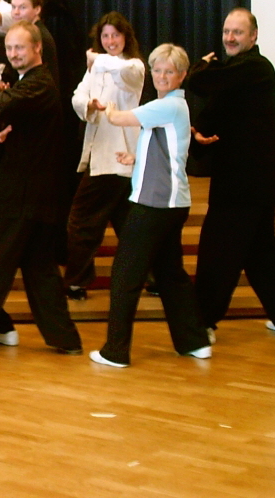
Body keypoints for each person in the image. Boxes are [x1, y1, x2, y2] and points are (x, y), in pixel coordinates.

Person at [0, 21, 82, 356]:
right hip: (33, 190)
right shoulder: (28, 83)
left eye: (19, 48)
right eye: (10, 49)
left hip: (20, 191)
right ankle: (64, 338)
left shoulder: (39, 85)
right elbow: (8, 116)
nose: (13, 54)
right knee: (40, 269)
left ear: (37, 49)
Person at [89, 44, 211, 367]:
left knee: (125, 274)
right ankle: (194, 342)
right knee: (171, 274)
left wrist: (108, 106)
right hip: (171, 204)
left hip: (155, 205)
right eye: (157, 70)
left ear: (182, 75)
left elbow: (119, 119)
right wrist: (135, 158)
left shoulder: (168, 107)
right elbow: (166, 150)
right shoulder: (171, 109)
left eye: (168, 71)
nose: (161, 76)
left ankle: (115, 351)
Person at [187, 8, 275, 336]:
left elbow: (203, 82)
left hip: (244, 184)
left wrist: (201, 66)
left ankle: (201, 323)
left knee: (218, 250)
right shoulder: (236, 70)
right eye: (226, 31)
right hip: (245, 182)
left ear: (254, 36)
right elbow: (217, 110)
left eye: (237, 32)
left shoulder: (256, 68)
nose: (230, 38)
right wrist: (200, 134)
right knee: (262, 252)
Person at [63, 12, 145, 300]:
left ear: (126, 38)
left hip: (118, 156)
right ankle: (153, 275)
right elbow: (77, 95)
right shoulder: (96, 67)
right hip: (101, 154)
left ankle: (77, 281)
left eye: (115, 35)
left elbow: (123, 74)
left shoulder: (134, 66)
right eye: (105, 36)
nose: (110, 41)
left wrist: (96, 59)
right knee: (126, 222)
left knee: (82, 219)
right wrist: (90, 103)